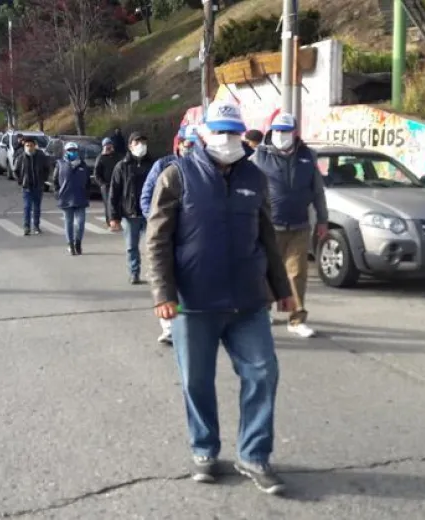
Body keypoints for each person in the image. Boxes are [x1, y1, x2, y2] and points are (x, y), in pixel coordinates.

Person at [145, 100, 295, 495]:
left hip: (248, 301)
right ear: (203, 134)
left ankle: (254, 455)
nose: (228, 140)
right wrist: (164, 293)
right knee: (196, 381)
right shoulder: (176, 176)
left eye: (234, 132)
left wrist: (284, 292)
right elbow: (157, 240)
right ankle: (204, 451)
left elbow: (268, 239)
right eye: (220, 132)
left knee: (263, 372)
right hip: (194, 303)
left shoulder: (255, 177)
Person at [251, 112, 329, 338]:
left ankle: (296, 319)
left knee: (297, 274)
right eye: (276, 130)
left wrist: (322, 220)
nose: (280, 135)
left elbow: (317, 192)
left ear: (295, 133)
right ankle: (263, 311)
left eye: (285, 131)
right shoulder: (259, 156)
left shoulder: (308, 156)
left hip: (299, 226)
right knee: (265, 272)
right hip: (268, 226)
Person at [139, 124, 198, 345]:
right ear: (179, 144)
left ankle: (189, 321)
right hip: (166, 231)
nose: (190, 148)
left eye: (194, 144)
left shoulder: (204, 168)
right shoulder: (163, 166)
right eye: (187, 144)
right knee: (166, 276)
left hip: (190, 236)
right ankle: (169, 326)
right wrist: (155, 222)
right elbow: (147, 195)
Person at [108, 131, 153, 285]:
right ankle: (134, 273)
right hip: (130, 213)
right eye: (137, 142)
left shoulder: (153, 164)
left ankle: (154, 273)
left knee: (154, 246)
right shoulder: (122, 166)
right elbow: (114, 192)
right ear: (130, 146)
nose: (141, 145)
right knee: (131, 247)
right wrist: (113, 217)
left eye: (143, 142)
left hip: (150, 214)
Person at [51, 141, 90, 255]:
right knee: (68, 222)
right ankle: (70, 244)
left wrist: (87, 193)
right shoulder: (60, 163)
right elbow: (55, 180)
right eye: (69, 150)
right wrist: (57, 192)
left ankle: (78, 242)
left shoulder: (83, 165)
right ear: (65, 151)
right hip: (66, 197)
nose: (72, 152)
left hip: (80, 198)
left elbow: (87, 181)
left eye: (74, 150)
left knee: (80, 223)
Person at [14, 134, 50, 235]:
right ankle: (26, 227)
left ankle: (36, 226)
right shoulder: (21, 157)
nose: (29, 147)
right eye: (27, 145)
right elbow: (16, 170)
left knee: (37, 207)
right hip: (27, 187)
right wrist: (20, 181)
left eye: (31, 145)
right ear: (24, 146)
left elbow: (47, 168)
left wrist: (43, 180)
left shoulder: (40, 156)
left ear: (34, 146)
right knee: (27, 207)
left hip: (38, 186)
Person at [92, 137, 121, 225]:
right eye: (107, 145)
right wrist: (102, 184)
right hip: (106, 186)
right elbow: (96, 174)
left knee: (117, 203)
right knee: (108, 204)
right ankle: (110, 221)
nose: (109, 147)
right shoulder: (100, 158)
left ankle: (117, 220)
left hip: (117, 184)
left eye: (110, 145)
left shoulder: (117, 156)